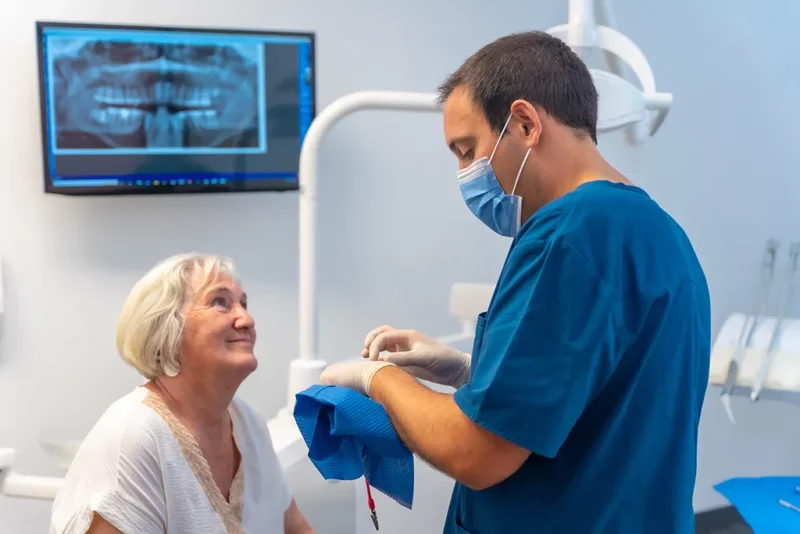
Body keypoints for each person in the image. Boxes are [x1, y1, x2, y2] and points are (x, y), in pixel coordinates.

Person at [320, 31, 710, 534]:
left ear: (525, 124)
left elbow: (476, 452)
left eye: (467, 150)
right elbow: (599, 394)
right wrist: (467, 371)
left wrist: (378, 381)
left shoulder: (570, 236)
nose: (465, 173)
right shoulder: (659, 233)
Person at [51, 254, 314, 534]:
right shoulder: (135, 437)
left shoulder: (250, 426)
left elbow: (295, 528)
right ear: (168, 327)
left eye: (244, 304)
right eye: (220, 302)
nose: (246, 319)